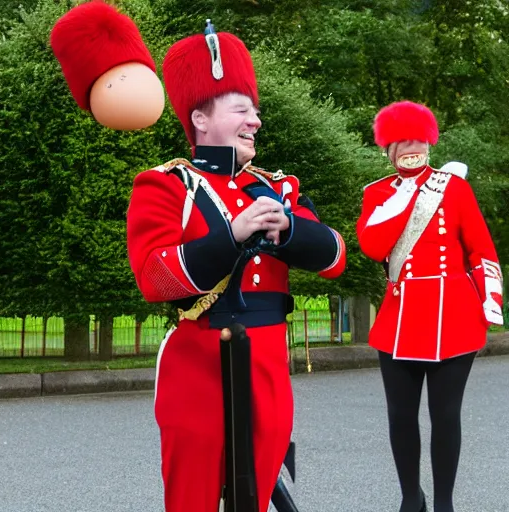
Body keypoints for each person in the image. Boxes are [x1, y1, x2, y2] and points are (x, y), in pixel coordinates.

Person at [126, 21, 346, 512]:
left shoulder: (278, 188)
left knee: (257, 497)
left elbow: (334, 256)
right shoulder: (165, 186)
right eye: (242, 109)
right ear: (201, 118)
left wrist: (287, 229)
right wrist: (232, 235)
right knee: (193, 500)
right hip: (198, 361)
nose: (255, 121)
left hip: (268, 364)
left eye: (256, 111)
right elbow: (154, 277)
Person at [356, 100, 503, 512]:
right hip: (400, 318)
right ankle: (409, 498)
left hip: (453, 316)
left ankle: (444, 503)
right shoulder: (378, 194)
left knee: (446, 415)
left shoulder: (454, 187)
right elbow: (372, 246)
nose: (409, 146)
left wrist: (491, 302)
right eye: (400, 140)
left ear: (429, 141)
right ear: (387, 148)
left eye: (416, 138)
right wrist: (405, 198)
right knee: (401, 416)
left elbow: (481, 250)